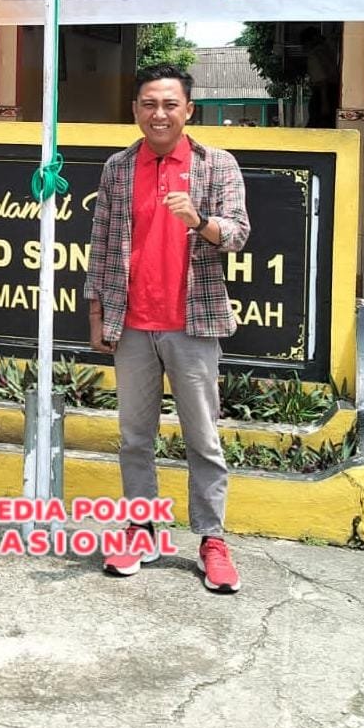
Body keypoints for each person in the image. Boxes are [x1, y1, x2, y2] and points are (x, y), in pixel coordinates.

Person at [84, 64, 251, 593]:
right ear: (136, 110)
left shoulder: (216, 165)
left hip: (192, 323)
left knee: (202, 439)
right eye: (149, 104)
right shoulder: (118, 168)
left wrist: (199, 221)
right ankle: (141, 529)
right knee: (136, 438)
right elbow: (101, 244)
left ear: (188, 110)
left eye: (170, 105)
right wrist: (97, 314)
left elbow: (238, 234)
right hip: (131, 324)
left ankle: (212, 540)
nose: (159, 114)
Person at [299, 26, 340, 127]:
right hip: (333, 92)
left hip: (323, 95)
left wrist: (324, 102)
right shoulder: (328, 50)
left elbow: (322, 81)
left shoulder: (314, 55)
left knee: (318, 124)